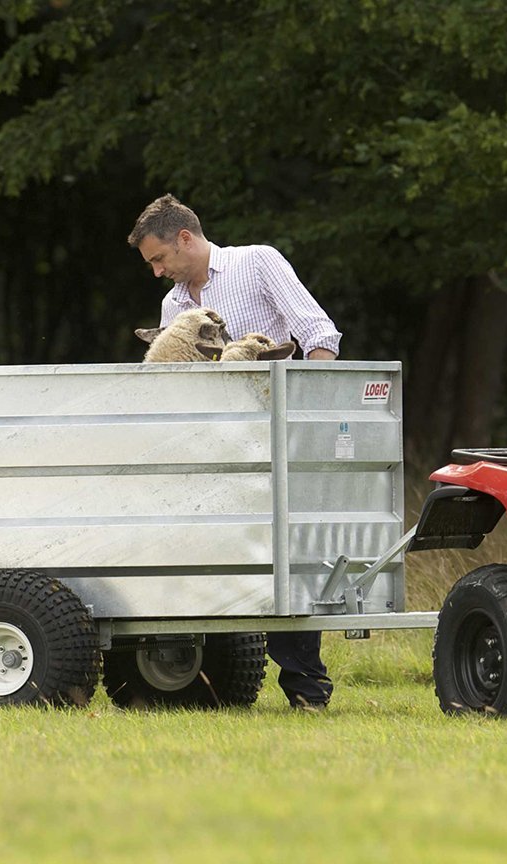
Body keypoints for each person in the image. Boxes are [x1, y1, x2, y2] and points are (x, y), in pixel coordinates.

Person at [128, 193, 340, 708]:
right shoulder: (174, 305)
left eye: (160, 259)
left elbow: (318, 332)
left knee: (284, 557)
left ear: (185, 238)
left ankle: (306, 689)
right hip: (215, 448)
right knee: (224, 554)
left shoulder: (256, 261)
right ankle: (217, 680)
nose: (158, 272)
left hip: (273, 433)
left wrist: (306, 412)